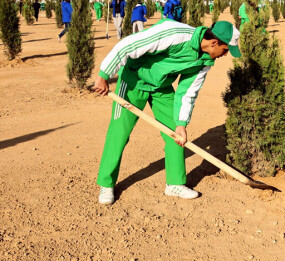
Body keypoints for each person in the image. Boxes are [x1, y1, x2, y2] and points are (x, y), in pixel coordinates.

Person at [92, 19, 241, 205]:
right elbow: (127, 45)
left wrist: (181, 124)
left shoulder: (205, 62)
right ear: (214, 42)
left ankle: (175, 184)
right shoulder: (174, 33)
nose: (225, 55)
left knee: (175, 135)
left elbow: (187, 92)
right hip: (132, 81)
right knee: (119, 133)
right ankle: (106, 183)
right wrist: (104, 75)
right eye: (226, 50)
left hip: (161, 88)